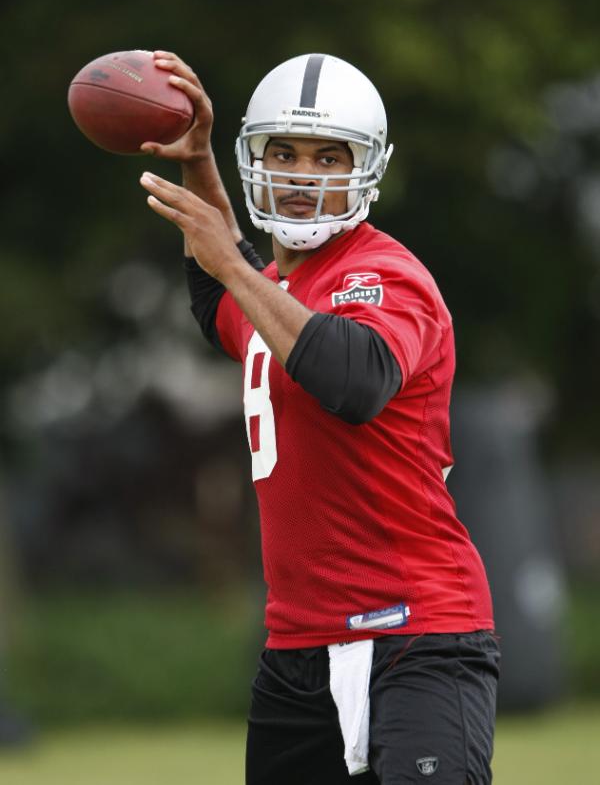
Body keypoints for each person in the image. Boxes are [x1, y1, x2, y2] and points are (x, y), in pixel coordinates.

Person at [139, 51, 500, 785]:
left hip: (415, 636)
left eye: (329, 157)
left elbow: (354, 379)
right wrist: (199, 161)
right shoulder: (272, 289)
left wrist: (234, 267)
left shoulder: (388, 274)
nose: (303, 175)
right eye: (284, 152)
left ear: (365, 168)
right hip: (297, 648)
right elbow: (220, 304)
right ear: (256, 158)